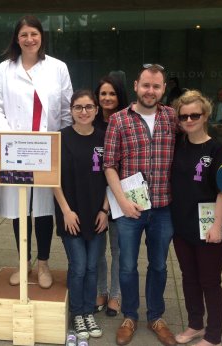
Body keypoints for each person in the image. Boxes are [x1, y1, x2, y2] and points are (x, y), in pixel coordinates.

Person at [0, 14, 73, 289]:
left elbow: (66, 109)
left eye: (34, 34)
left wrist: (59, 141)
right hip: (16, 149)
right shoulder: (4, 69)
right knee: (21, 207)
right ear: (17, 38)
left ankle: (44, 263)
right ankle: (24, 261)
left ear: (41, 37)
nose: (29, 39)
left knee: (44, 208)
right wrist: (12, 138)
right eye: (24, 34)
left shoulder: (58, 67)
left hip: (48, 148)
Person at [103, 63, 177, 346]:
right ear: (136, 86)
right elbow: (109, 165)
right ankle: (130, 316)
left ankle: (156, 316)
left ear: (163, 89)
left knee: (159, 265)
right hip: (130, 208)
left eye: (156, 86)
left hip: (163, 208)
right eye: (146, 85)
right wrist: (121, 201)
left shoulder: (172, 118)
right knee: (127, 266)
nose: (150, 91)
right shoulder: (119, 120)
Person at [170, 90, 222, 346]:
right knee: (188, 277)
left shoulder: (217, 150)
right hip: (182, 224)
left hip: (208, 225)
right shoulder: (177, 144)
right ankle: (196, 324)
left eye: (195, 115)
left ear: (205, 115)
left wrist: (217, 226)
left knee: (209, 281)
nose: (189, 120)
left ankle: (214, 337)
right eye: (184, 116)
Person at [54, 90, 108, 340]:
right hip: (71, 214)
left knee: (93, 267)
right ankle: (77, 312)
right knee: (78, 266)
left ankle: (88, 312)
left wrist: (105, 210)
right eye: (78, 107)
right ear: (71, 110)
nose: (84, 112)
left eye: (88, 107)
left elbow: (112, 176)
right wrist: (65, 211)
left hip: (97, 214)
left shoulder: (105, 137)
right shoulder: (61, 138)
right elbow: (53, 179)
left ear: (96, 110)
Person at [93, 75, 128, 317]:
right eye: (103, 93)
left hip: (117, 195)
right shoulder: (89, 122)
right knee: (97, 250)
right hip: (92, 194)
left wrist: (107, 205)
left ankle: (116, 294)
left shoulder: (125, 123)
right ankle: (100, 290)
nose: (107, 98)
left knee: (118, 250)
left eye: (112, 94)